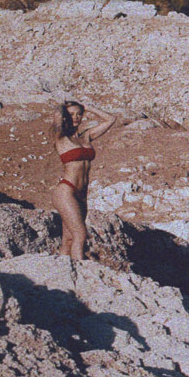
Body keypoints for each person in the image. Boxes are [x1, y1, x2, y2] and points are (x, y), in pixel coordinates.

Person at [50, 100, 119, 261]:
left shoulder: (86, 136)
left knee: (68, 240)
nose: (76, 117)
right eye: (71, 114)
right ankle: (81, 275)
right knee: (80, 234)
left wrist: (89, 107)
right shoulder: (60, 137)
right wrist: (64, 106)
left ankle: (64, 274)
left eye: (79, 114)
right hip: (66, 191)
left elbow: (111, 119)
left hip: (81, 194)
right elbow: (58, 117)